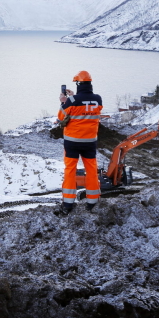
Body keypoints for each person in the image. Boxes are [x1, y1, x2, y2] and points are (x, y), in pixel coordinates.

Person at [58, 70, 102, 213]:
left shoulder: (71, 101)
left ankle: (68, 203)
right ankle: (93, 202)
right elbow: (86, 106)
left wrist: (64, 102)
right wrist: (73, 98)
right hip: (90, 142)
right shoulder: (98, 99)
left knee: (70, 170)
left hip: (72, 142)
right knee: (91, 170)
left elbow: (61, 117)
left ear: (78, 84)